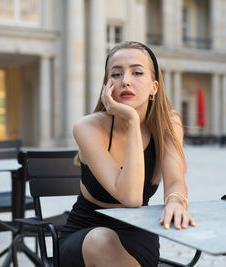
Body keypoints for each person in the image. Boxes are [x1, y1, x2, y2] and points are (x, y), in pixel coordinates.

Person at [59, 41, 196, 267]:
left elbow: (175, 180)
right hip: (87, 237)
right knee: (103, 240)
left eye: (137, 72)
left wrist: (175, 201)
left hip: (139, 237)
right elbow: (131, 198)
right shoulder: (88, 127)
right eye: (116, 73)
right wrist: (132, 121)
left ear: (154, 87)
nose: (126, 81)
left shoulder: (168, 123)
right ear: (107, 86)